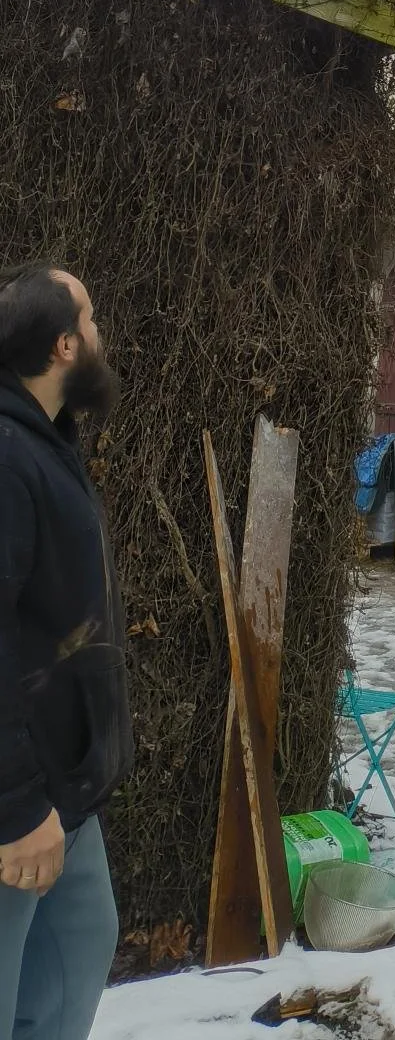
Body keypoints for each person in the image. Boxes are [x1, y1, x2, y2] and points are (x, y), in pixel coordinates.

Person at [0, 266, 131, 1040]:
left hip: (62, 786)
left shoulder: (44, 439)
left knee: (82, 945)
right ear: (63, 344)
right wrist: (16, 808)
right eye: (91, 316)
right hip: (19, 804)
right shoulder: (6, 456)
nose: (100, 333)